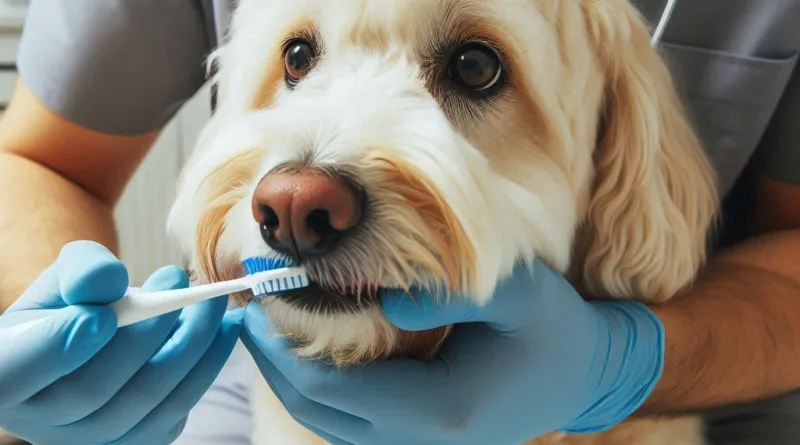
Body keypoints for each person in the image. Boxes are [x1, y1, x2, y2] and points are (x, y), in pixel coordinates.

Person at [0, 1, 798, 444]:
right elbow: (38, 159)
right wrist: (71, 363)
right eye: (300, 59)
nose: (298, 201)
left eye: (472, 68)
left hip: (695, 380)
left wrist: (621, 367)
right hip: (267, 398)